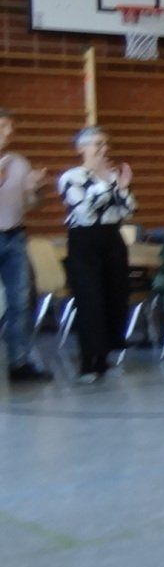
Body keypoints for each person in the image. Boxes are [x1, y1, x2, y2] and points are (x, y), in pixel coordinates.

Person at [57, 127, 137, 383]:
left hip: (112, 239)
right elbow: (85, 213)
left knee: (115, 296)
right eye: (97, 144)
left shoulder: (112, 176)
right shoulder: (72, 177)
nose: (104, 149)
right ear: (82, 148)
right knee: (90, 299)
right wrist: (107, 184)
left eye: (105, 144)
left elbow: (128, 210)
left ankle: (103, 358)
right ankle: (88, 362)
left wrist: (121, 187)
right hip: (84, 241)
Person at [0, 107, 53, 383]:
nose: (10, 132)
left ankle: (19, 362)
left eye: (10, 126)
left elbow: (32, 204)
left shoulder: (19, 162)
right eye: (4, 126)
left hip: (14, 236)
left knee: (20, 300)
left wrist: (35, 188)